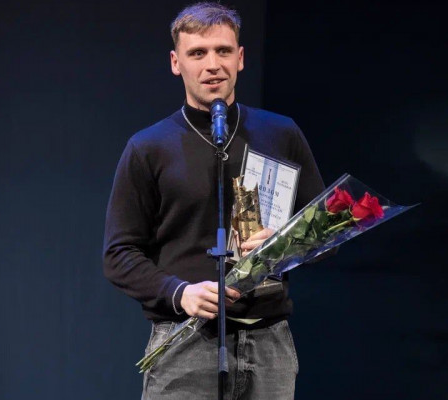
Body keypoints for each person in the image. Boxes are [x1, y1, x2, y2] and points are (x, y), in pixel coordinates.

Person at [103, 2, 325, 398]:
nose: (212, 65)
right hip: (185, 341)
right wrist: (180, 293)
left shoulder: (281, 134)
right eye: (197, 53)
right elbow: (119, 255)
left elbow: (326, 232)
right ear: (176, 63)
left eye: (223, 51)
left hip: (269, 345)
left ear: (240, 58)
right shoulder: (148, 147)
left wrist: (285, 241)